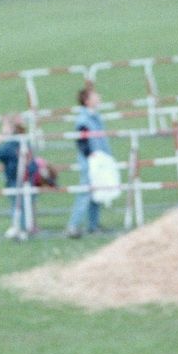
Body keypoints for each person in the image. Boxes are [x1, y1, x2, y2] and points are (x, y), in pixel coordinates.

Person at [65, 83, 111, 238]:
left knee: (96, 193)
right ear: (87, 100)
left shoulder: (95, 117)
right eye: (95, 96)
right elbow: (82, 141)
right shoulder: (84, 119)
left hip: (99, 160)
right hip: (91, 162)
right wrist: (91, 155)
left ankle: (93, 224)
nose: (99, 97)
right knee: (85, 193)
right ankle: (73, 225)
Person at [0, 113, 31, 240]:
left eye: (5, 127)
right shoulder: (22, 139)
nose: (3, 129)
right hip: (23, 177)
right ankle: (22, 227)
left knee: (17, 205)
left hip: (15, 178)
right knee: (22, 204)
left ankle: (20, 228)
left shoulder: (11, 143)